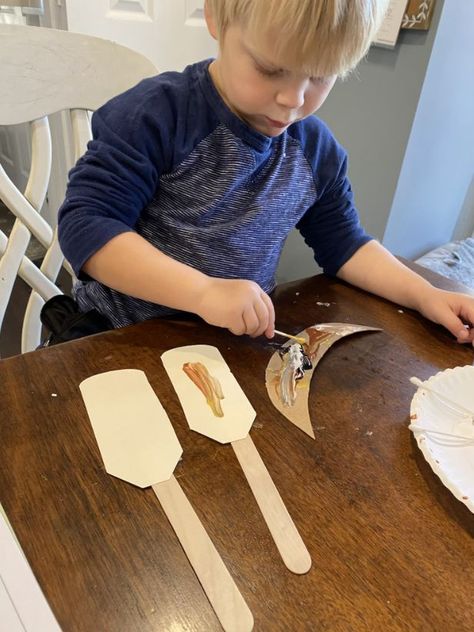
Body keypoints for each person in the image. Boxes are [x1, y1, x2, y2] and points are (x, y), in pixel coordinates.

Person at [57, 0, 474, 345]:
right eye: (270, 69)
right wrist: (202, 293)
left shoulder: (316, 152)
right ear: (216, 17)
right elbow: (86, 229)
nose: (292, 99)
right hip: (117, 335)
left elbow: (345, 245)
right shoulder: (154, 116)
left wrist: (425, 294)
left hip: (232, 344)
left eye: (320, 76)